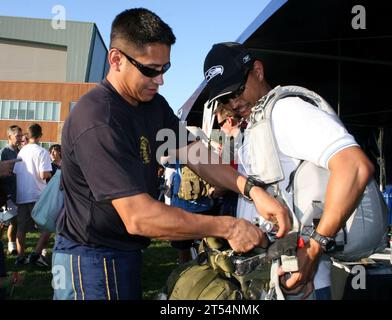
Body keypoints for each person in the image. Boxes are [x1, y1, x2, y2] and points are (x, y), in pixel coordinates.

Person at [53, 8, 287, 300]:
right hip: (89, 257)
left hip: (124, 251)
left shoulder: (152, 105)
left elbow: (196, 154)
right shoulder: (98, 119)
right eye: (150, 69)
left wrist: (250, 189)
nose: (160, 80)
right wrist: (228, 227)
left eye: (165, 69)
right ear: (116, 60)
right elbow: (138, 217)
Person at [203, 42, 374, 299]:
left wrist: (315, 247)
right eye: (225, 98)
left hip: (300, 280)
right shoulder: (254, 124)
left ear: (258, 71)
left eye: (237, 89)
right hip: (272, 278)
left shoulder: (286, 111)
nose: (233, 102)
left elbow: (355, 165)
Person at [13, 123, 52, 267]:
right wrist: (51, 174)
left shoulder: (21, 152)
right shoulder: (42, 152)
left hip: (22, 194)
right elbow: (43, 175)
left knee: (21, 228)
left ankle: (20, 257)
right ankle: (36, 254)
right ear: (40, 135)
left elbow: (16, 172)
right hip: (38, 195)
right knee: (46, 228)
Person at [0, 125, 22, 255]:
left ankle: (11, 246)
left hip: (17, 191)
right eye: (17, 136)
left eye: (20, 135)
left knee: (15, 220)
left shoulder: (20, 151)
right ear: (10, 136)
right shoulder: (4, 152)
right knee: (2, 222)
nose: (19, 138)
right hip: (5, 193)